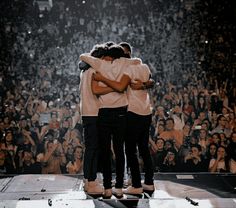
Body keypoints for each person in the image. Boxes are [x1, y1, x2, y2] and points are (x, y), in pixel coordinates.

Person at [92, 42, 155, 195]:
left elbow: (120, 87)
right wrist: (145, 84)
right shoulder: (143, 66)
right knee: (143, 149)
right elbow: (152, 81)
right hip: (146, 112)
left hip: (132, 112)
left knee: (130, 151)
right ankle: (148, 182)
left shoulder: (126, 69)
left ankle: (135, 185)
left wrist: (102, 78)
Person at [80, 44, 140, 198]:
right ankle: (116, 186)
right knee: (116, 151)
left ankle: (104, 186)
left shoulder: (96, 66)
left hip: (101, 112)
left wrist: (105, 80)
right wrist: (118, 87)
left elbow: (83, 57)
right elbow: (137, 61)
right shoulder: (122, 65)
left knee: (102, 150)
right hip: (107, 112)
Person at [79, 45, 113, 195]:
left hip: (86, 112)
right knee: (93, 148)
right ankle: (91, 181)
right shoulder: (94, 69)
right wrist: (113, 88)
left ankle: (88, 180)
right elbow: (96, 90)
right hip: (93, 113)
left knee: (91, 148)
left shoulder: (84, 71)